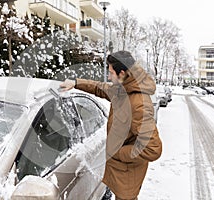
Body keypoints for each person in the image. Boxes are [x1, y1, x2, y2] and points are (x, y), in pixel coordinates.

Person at [60, 50, 162, 200]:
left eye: (110, 73)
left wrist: (119, 153)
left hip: (127, 178)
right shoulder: (124, 89)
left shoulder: (138, 104)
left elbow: (153, 148)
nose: (108, 77)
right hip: (120, 172)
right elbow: (100, 88)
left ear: (122, 73)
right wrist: (75, 83)